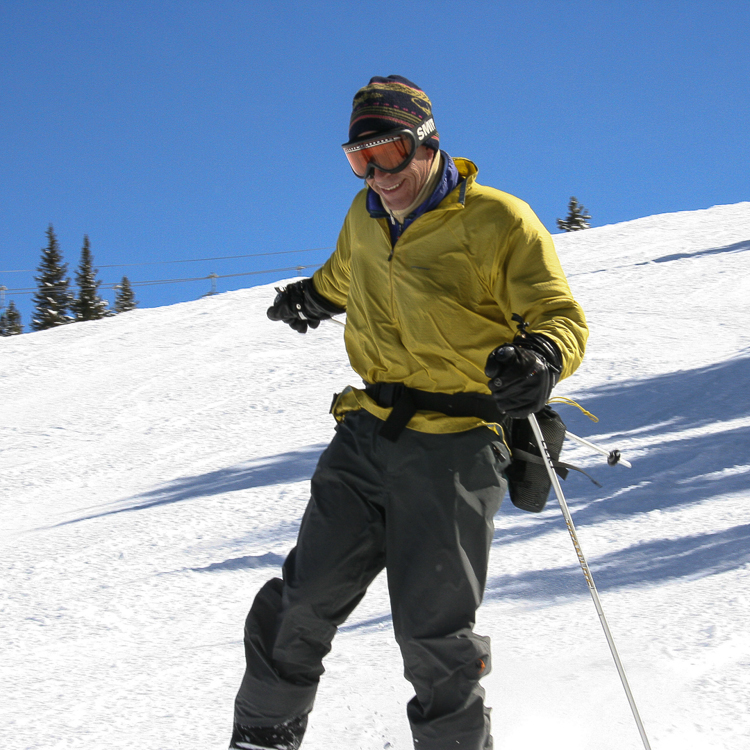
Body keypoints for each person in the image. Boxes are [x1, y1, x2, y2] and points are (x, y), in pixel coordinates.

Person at [230, 75, 588, 750]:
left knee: (432, 636)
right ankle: (261, 738)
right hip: (367, 435)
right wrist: (310, 297)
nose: (377, 173)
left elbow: (558, 314)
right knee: (299, 605)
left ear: (429, 144)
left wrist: (541, 354)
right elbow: (346, 273)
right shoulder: (363, 218)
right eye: (359, 159)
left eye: (390, 152)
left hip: (455, 446)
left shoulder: (497, 220)